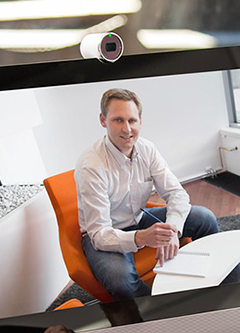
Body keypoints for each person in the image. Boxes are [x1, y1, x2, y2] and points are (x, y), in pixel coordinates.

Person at [75, 88, 219, 300]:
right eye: (118, 120)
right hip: (106, 234)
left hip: (138, 219)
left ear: (140, 121)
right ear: (103, 120)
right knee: (120, 282)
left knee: (205, 218)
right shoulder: (91, 166)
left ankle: (211, 278)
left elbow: (176, 194)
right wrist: (141, 237)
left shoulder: (147, 149)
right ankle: (161, 308)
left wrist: (172, 230)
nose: (127, 129)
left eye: (132, 120)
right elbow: (99, 235)